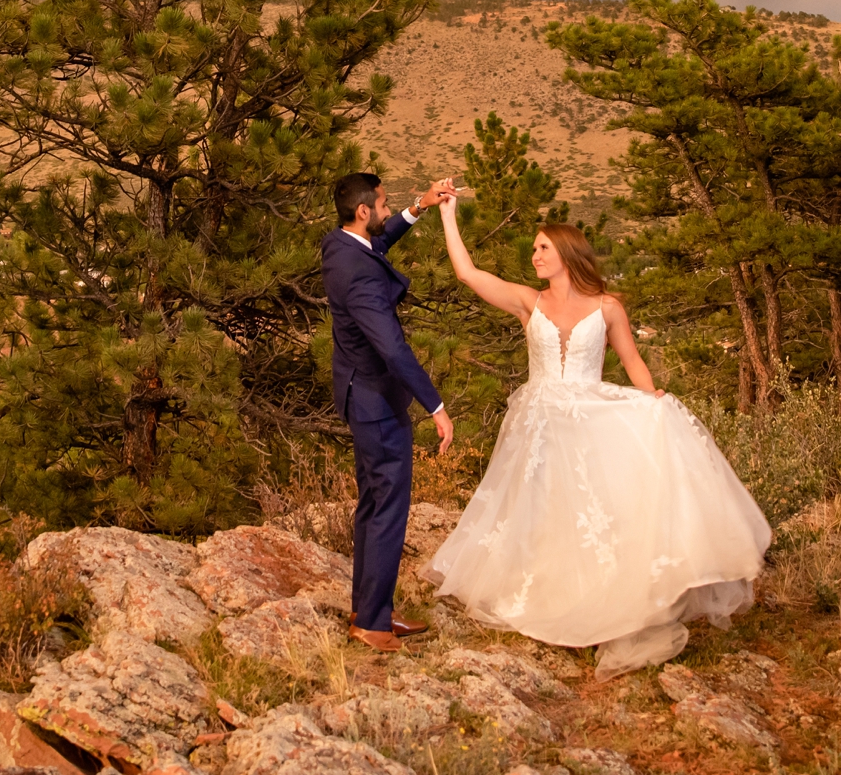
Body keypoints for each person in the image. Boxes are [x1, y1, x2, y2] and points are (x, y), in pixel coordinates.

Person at [422, 183, 771, 675]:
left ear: (566, 253)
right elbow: (468, 272)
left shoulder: (608, 307)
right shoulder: (529, 302)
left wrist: (655, 404)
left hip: (589, 420)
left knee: (594, 517)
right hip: (540, 423)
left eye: (543, 247)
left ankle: (606, 605)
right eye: (536, 248)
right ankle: (552, 600)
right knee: (543, 514)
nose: (535, 254)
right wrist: (449, 215)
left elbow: (632, 364)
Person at [321, 172, 458, 652]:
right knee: (388, 508)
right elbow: (394, 349)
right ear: (363, 212)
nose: (385, 211)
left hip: (358, 393)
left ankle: (369, 605)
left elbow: (376, 246)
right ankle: (371, 623)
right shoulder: (358, 273)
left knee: (372, 505)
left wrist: (417, 208)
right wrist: (436, 406)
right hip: (377, 403)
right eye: (382, 206)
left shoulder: (340, 245)